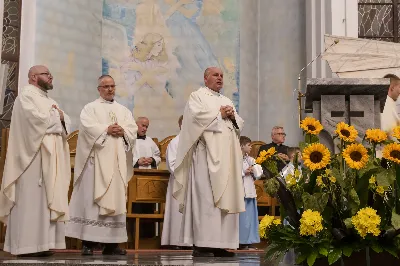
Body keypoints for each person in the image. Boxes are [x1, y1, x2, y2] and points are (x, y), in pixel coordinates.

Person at [173, 67, 245, 257]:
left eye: (221, 75)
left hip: (226, 158)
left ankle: (221, 244)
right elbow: (194, 120)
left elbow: (238, 125)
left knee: (225, 199)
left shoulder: (227, 100)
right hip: (205, 156)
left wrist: (232, 115)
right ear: (205, 79)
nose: (220, 78)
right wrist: (219, 115)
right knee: (206, 199)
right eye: (215, 75)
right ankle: (202, 244)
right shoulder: (197, 96)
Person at [0, 65, 71, 256]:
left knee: (44, 201)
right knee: (31, 201)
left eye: (50, 73)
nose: (51, 77)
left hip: (49, 157)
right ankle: (24, 246)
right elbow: (37, 121)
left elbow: (62, 121)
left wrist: (61, 117)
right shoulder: (26, 96)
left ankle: (42, 245)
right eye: (46, 74)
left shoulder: (47, 99)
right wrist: (57, 116)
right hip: (32, 159)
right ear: (33, 77)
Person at [66, 75, 137, 256]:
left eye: (112, 86)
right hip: (95, 164)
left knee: (116, 199)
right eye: (105, 86)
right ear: (99, 89)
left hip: (116, 163)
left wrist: (124, 131)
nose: (110, 89)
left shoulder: (124, 111)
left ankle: (111, 245)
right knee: (92, 202)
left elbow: (132, 129)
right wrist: (106, 129)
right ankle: (88, 242)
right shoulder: (90, 108)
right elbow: (87, 128)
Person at [161, 115, 190, 249]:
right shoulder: (175, 142)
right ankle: (175, 241)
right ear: (180, 125)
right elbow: (171, 163)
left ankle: (189, 241)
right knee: (177, 212)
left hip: (192, 182)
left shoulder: (194, 141)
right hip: (179, 181)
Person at [238, 136, 263, 250]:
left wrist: (254, 169)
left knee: (250, 218)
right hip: (241, 191)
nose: (250, 147)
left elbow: (259, 172)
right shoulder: (235, 158)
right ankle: (241, 241)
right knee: (242, 219)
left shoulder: (250, 159)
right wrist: (243, 172)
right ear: (242, 146)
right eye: (248, 145)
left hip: (250, 190)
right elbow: (231, 172)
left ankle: (249, 240)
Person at [381, 74, 400, 139]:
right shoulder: (387, 104)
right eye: (399, 87)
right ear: (392, 88)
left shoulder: (387, 103)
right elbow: (388, 128)